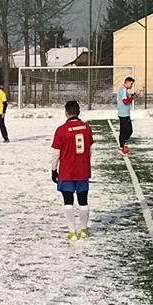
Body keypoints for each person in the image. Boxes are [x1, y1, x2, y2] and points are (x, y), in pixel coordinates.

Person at [51, 100, 94, 241]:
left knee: (68, 202)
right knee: (83, 201)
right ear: (78, 112)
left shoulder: (61, 130)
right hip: (83, 171)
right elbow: (90, 149)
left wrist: (53, 170)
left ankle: (72, 232)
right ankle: (83, 230)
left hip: (67, 172)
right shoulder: (87, 128)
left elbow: (56, 153)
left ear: (66, 113)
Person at [117, 75, 137, 154]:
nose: (131, 85)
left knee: (123, 131)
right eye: (131, 84)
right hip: (123, 114)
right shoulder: (123, 89)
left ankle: (121, 146)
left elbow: (126, 100)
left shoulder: (124, 90)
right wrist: (132, 98)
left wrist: (131, 97)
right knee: (129, 131)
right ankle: (123, 144)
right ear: (127, 82)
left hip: (124, 113)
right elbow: (125, 101)